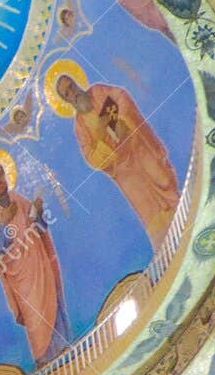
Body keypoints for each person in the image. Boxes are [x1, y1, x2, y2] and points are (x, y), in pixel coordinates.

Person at [54, 74, 179, 251]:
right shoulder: (80, 126)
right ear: (66, 100)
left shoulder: (97, 91)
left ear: (76, 83)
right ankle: (168, 247)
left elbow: (121, 96)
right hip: (124, 170)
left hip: (138, 147)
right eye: (66, 93)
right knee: (148, 209)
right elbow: (90, 156)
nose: (72, 92)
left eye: (71, 86)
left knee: (163, 180)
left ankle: (184, 215)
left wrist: (117, 121)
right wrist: (105, 144)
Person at [0, 160, 67, 367]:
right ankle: (44, 360)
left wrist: (38, 212)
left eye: (1, 174)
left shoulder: (19, 199)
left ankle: (63, 348)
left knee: (52, 301)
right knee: (35, 315)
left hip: (39, 262)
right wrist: (4, 221)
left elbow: (38, 227)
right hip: (20, 274)